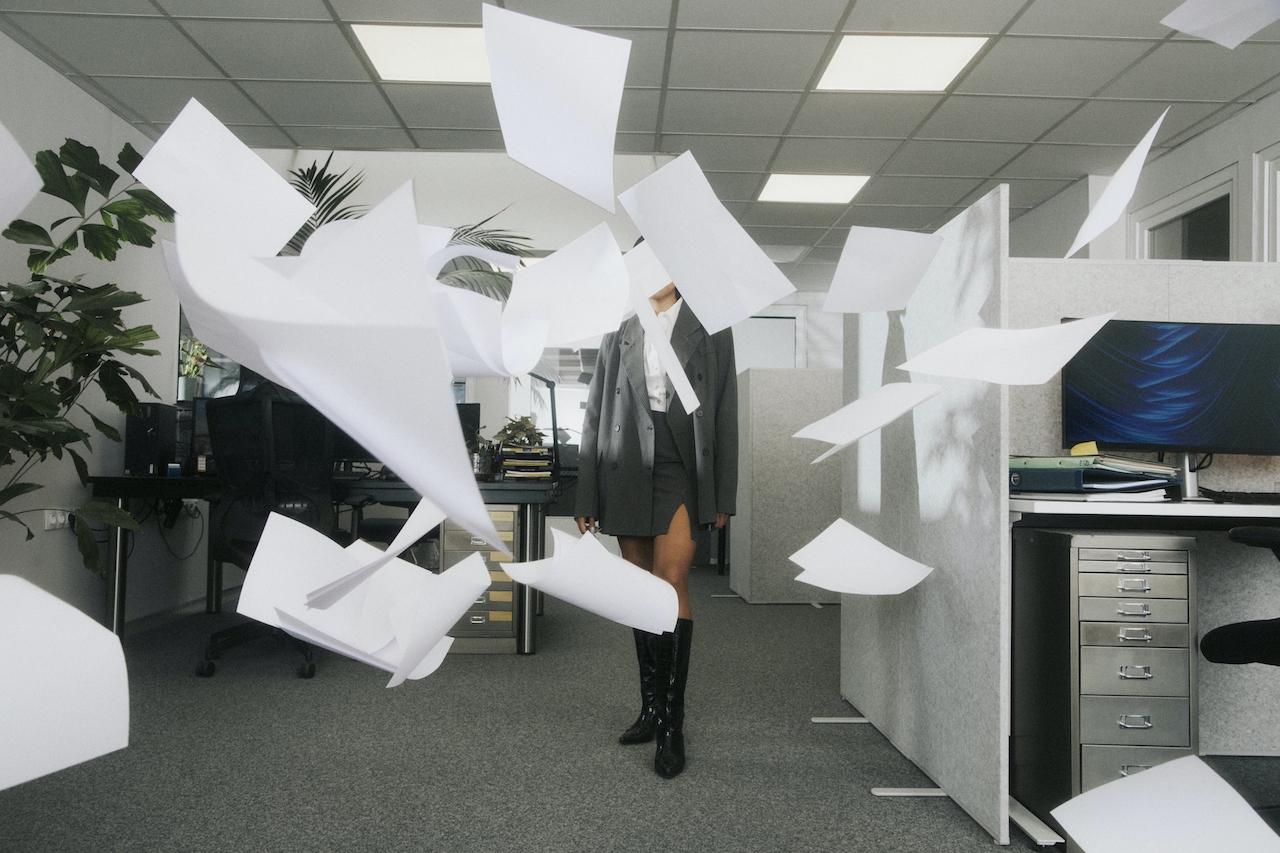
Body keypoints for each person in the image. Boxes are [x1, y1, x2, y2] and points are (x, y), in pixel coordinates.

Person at [575, 276, 738, 779]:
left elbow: (726, 409)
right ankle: (650, 709)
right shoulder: (619, 326)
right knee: (641, 590)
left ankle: (672, 723)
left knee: (671, 584)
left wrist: (723, 493)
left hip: (683, 466)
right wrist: (587, 492)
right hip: (624, 464)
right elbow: (596, 410)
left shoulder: (711, 323)